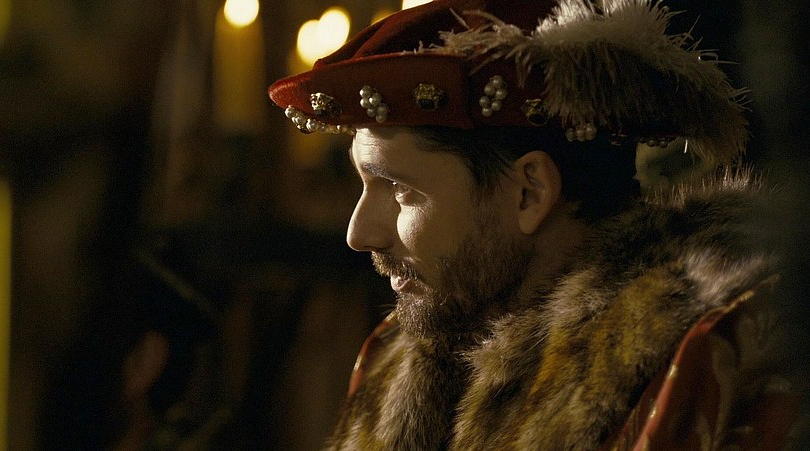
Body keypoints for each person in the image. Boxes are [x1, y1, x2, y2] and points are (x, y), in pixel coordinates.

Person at [268, 0, 809, 449]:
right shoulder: (392, 355)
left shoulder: (715, 360)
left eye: (399, 189)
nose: (359, 233)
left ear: (529, 192)